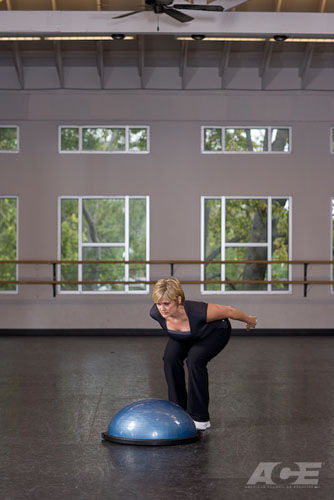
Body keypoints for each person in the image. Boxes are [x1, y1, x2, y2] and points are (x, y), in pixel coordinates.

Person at [150, 277, 257, 431]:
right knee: (170, 359)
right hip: (185, 334)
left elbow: (229, 310)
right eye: (158, 303)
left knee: (195, 360)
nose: (162, 308)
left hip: (214, 332)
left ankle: (199, 418)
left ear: (178, 300)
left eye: (166, 303)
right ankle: (177, 411)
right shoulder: (156, 313)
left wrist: (249, 320)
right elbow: (175, 330)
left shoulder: (197, 311)